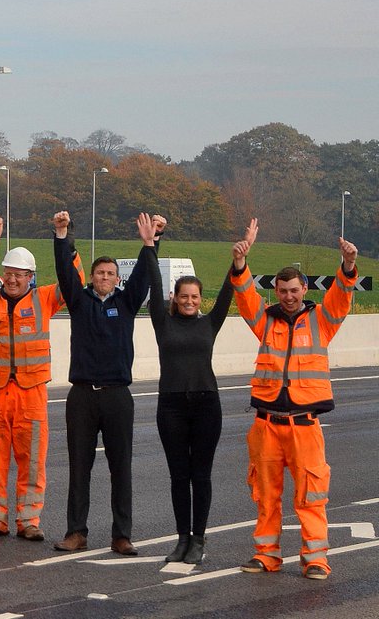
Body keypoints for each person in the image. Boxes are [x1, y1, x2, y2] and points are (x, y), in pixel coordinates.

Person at [233, 221, 358, 580]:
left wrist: (348, 266)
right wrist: (241, 263)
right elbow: (244, 297)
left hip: (305, 426)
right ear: (275, 291)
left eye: (294, 290)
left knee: (311, 496)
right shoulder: (264, 321)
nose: (288, 296)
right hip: (266, 425)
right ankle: (266, 554)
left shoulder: (322, 320)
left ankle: (315, 558)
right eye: (282, 290)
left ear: (304, 289)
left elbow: (342, 296)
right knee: (265, 495)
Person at [0, 213, 78, 542]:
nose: (13, 280)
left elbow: (73, 280)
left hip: (31, 393)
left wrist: (63, 237)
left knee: (32, 460)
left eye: (19, 275)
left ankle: (28, 519)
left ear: (31, 276)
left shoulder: (44, 299)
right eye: (9, 274)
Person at [52, 210, 155, 556]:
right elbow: (65, 274)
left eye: (110, 274)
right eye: (99, 273)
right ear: (92, 276)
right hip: (81, 396)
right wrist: (62, 236)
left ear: (116, 278)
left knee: (120, 467)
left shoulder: (126, 304)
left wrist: (150, 243)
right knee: (79, 467)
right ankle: (76, 531)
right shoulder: (79, 302)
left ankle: (121, 534)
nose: (105, 277)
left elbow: (144, 278)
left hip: (117, 396)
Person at [145, 214, 237, 565]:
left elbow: (229, 291)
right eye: (184, 296)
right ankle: (182, 538)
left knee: (201, 474)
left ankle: (199, 538)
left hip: (205, 406)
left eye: (195, 296)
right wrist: (151, 245)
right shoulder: (161, 321)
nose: (189, 301)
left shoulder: (210, 323)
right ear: (175, 297)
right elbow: (153, 282)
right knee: (178, 476)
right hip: (170, 406)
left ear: (200, 299)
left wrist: (238, 260)